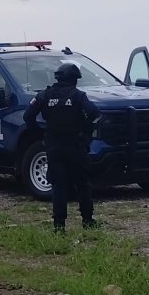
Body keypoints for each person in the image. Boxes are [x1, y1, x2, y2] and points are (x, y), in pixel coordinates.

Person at [23, 63, 100, 233]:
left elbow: (27, 116)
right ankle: (87, 221)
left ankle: (59, 226)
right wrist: (85, 133)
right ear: (74, 79)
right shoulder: (79, 96)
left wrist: (39, 134)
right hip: (75, 146)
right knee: (82, 183)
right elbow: (95, 113)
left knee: (58, 185)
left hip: (53, 147)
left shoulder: (44, 95)